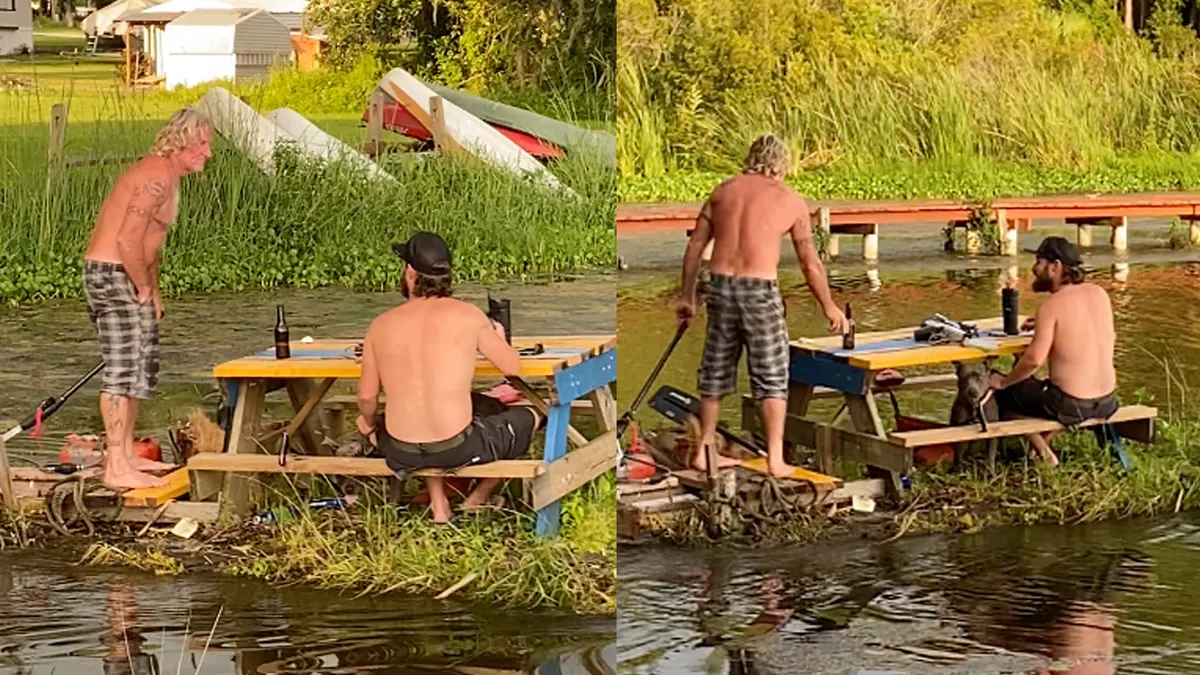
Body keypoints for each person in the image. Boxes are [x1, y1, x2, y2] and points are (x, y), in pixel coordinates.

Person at [676, 133, 849, 477]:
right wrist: (829, 306)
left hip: (721, 287)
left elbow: (695, 246)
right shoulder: (790, 200)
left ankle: (704, 450)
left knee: (715, 368)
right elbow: (809, 263)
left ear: (751, 159)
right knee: (771, 374)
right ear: (781, 166)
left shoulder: (723, 192)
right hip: (760, 291)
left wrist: (686, 297)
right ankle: (775, 459)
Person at [356, 232, 541, 524]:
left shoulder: (379, 325)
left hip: (399, 450)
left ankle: (440, 507)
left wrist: (367, 424)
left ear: (411, 274)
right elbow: (512, 367)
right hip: (457, 447)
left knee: (416, 416)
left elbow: (366, 397)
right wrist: (499, 338)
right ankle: (476, 500)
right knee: (534, 413)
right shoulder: (468, 315)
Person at [83, 108, 213, 489]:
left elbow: (150, 244)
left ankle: (124, 456)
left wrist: (152, 289)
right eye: (201, 144)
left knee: (139, 371)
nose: (207, 153)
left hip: (132, 274)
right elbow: (126, 239)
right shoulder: (154, 175)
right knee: (122, 370)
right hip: (113, 274)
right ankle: (115, 465)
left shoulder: (169, 177)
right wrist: (140, 286)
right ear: (181, 142)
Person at [988, 236, 1118, 465]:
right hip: (1108, 400)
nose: (1034, 269)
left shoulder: (1052, 305)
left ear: (1055, 266)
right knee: (1035, 388)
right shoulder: (1100, 293)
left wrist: (1004, 381)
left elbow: (1034, 359)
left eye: (1039, 261)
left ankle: (1043, 452)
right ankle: (1042, 444)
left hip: (1071, 404)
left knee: (1003, 395)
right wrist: (1042, 324)